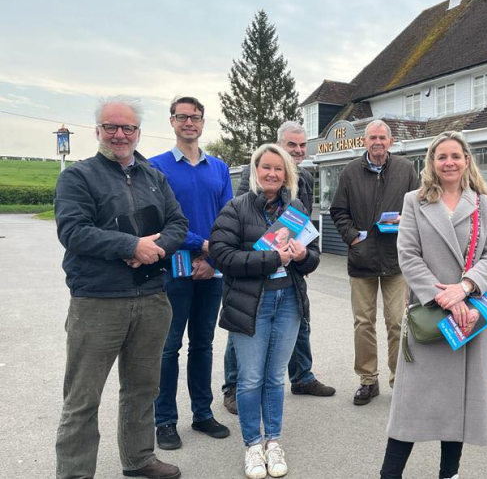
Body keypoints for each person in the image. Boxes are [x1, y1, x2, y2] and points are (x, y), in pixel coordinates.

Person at [54, 96, 188, 479]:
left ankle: (139, 458)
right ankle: (75, 473)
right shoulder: (78, 177)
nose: (119, 134)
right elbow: (73, 231)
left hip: (150, 298)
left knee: (143, 388)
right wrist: (131, 246)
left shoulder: (153, 176)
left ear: (138, 132)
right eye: (111, 127)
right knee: (83, 397)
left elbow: (179, 223)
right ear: (98, 130)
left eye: (127, 127)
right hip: (98, 302)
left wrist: (155, 247)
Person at [381, 131, 487, 479]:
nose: (449, 162)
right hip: (431, 315)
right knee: (409, 406)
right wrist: (442, 296)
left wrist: (464, 288)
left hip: (470, 317)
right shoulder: (414, 201)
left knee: (459, 407)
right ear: (431, 163)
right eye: (441, 156)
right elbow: (407, 255)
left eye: (455, 156)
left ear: (467, 159)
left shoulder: (484, 203)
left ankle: (448, 474)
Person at [209, 143, 320, 479]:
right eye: (265, 167)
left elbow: (313, 257)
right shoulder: (237, 207)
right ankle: (253, 446)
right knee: (250, 379)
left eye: (278, 168)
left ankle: (273, 441)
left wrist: (302, 256)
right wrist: (273, 259)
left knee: (274, 378)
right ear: (255, 172)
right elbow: (222, 256)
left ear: (287, 173)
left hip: (288, 301)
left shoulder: (297, 208)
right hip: (250, 304)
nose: (272, 174)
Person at [222, 122, 334, 417]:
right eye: (291, 146)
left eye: (301, 146)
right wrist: (270, 256)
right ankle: (233, 387)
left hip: (290, 266)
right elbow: (247, 216)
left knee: (299, 322)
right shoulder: (255, 174)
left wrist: (302, 254)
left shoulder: (305, 178)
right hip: (256, 271)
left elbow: (303, 223)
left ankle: (302, 376)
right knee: (243, 327)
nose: (298, 151)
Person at [149, 96, 233, 450]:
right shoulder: (156, 167)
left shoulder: (219, 168)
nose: (189, 122)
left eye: (195, 117)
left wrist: (213, 259)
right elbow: (158, 220)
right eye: (182, 117)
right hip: (172, 269)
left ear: (202, 123)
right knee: (168, 348)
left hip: (211, 271)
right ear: (171, 122)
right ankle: (165, 420)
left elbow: (229, 218)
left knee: (203, 344)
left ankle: (202, 414)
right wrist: (202, 246)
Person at [330, 119, 420, 405]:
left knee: (396, 322)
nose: (377, 142)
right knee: (363, 323)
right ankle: (368, 380)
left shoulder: (406, 171)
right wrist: (353, 237)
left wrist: (407, 221)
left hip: (397, 259)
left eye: (382, 137)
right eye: (372, 138)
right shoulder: (350, 172)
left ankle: (400, 380)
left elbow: (421, 206)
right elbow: (338, 211)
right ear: (364, 142)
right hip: (362, 259)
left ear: (390, 141)